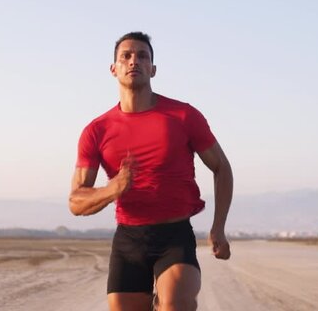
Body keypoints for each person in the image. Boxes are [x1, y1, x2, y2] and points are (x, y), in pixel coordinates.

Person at [69, 31, 233, 311]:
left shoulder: (183, 116)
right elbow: (76, 202)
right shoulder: (96, 131)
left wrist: (218, 227)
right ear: (114, 69)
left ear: (153, 69)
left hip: (174, 235)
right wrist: (112, 190)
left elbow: (221, 167)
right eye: (126, 56)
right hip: (128, 240)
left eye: (142, 56)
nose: (134, 61)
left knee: (175, 305)